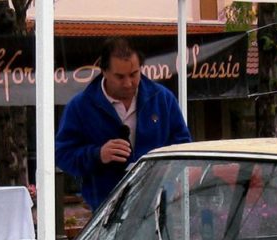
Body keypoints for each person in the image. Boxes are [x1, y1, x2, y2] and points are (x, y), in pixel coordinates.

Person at [55, 37, 192, 210]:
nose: (128, 83)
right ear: (103, 71)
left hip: (157, 207)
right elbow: (62, 154)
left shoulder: (162, 99)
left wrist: (167, 175)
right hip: (104, 210)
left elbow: (183, 146)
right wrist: (98, 155)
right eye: (119, 77)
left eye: (134, 74)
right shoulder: (81, 107)